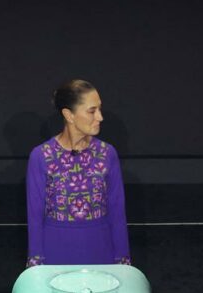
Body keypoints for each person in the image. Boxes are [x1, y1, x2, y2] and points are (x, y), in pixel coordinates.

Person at [25, 79, 130, 266]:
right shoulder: (41, 156)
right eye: (92, 111)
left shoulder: (107, 153)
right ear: (69, 115)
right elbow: (34, 216)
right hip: (55, 254)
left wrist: (122, 259)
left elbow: (117, 211)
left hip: (101, 251)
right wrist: (36, 260)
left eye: (100, 109)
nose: (100, 117)